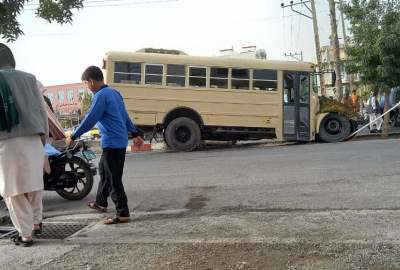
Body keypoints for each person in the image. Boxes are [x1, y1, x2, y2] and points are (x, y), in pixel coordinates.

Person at [66, 66, 143, 224]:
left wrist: (73, 135)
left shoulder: (101, 96)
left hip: (112, 143)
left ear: (92, 81)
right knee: (104, 171)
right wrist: (134, 133)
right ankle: (101, 202)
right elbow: (125, 116)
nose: (87, 87)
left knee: (114, 178)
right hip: (119, 140)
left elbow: (90, 118)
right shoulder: (114, 93)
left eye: (86, 84)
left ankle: (123, 213)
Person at [0, 43, 48, 247]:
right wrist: (43, 138)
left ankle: (25, 234)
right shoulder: (30, 78)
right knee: (34, 184)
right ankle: (36, 222)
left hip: (5, 142)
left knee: (13, 189)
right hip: (34, 137)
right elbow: (42, 109)